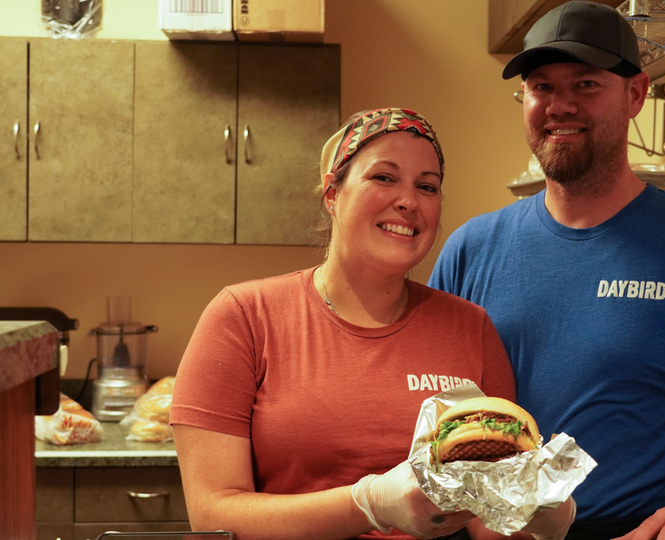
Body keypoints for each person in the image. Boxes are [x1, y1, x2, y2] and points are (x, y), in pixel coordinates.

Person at [428, 3, 665, 540]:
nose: (560, 106)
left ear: (635, 96)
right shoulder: (471, 248)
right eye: (541, 87)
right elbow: (431, 411)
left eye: (586, 84)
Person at [170, 107, 575, 540]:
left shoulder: (470, 327)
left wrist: (539, 518)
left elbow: (488, 526)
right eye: (384, 177)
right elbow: (213, 513)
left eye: (427, 186)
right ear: (332, 194)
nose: (408, 200)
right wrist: (369, 504)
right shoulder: (244, 316)